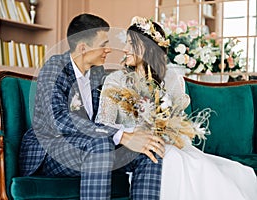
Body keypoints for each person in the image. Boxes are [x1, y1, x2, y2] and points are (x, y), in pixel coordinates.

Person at [95, 16, 257, 200]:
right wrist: (133, 135)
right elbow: (102, 124)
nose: (125, 49)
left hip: (167, 144)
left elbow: (179, 123)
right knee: (171, 160)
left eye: (131, 44)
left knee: (200, 165)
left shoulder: (171, 80)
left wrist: (166, 130)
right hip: (132, 150)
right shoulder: (115, 81)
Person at [19, 13, 165, 199]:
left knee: (148, 151)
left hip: (89, 144)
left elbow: (103, 116)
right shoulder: (54, 68)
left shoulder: (97, 72)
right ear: (83, 48)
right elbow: (57, 119)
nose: (109, 50)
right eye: (104, 44)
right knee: (101, 144)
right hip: (50, 150)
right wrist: (120, 135)